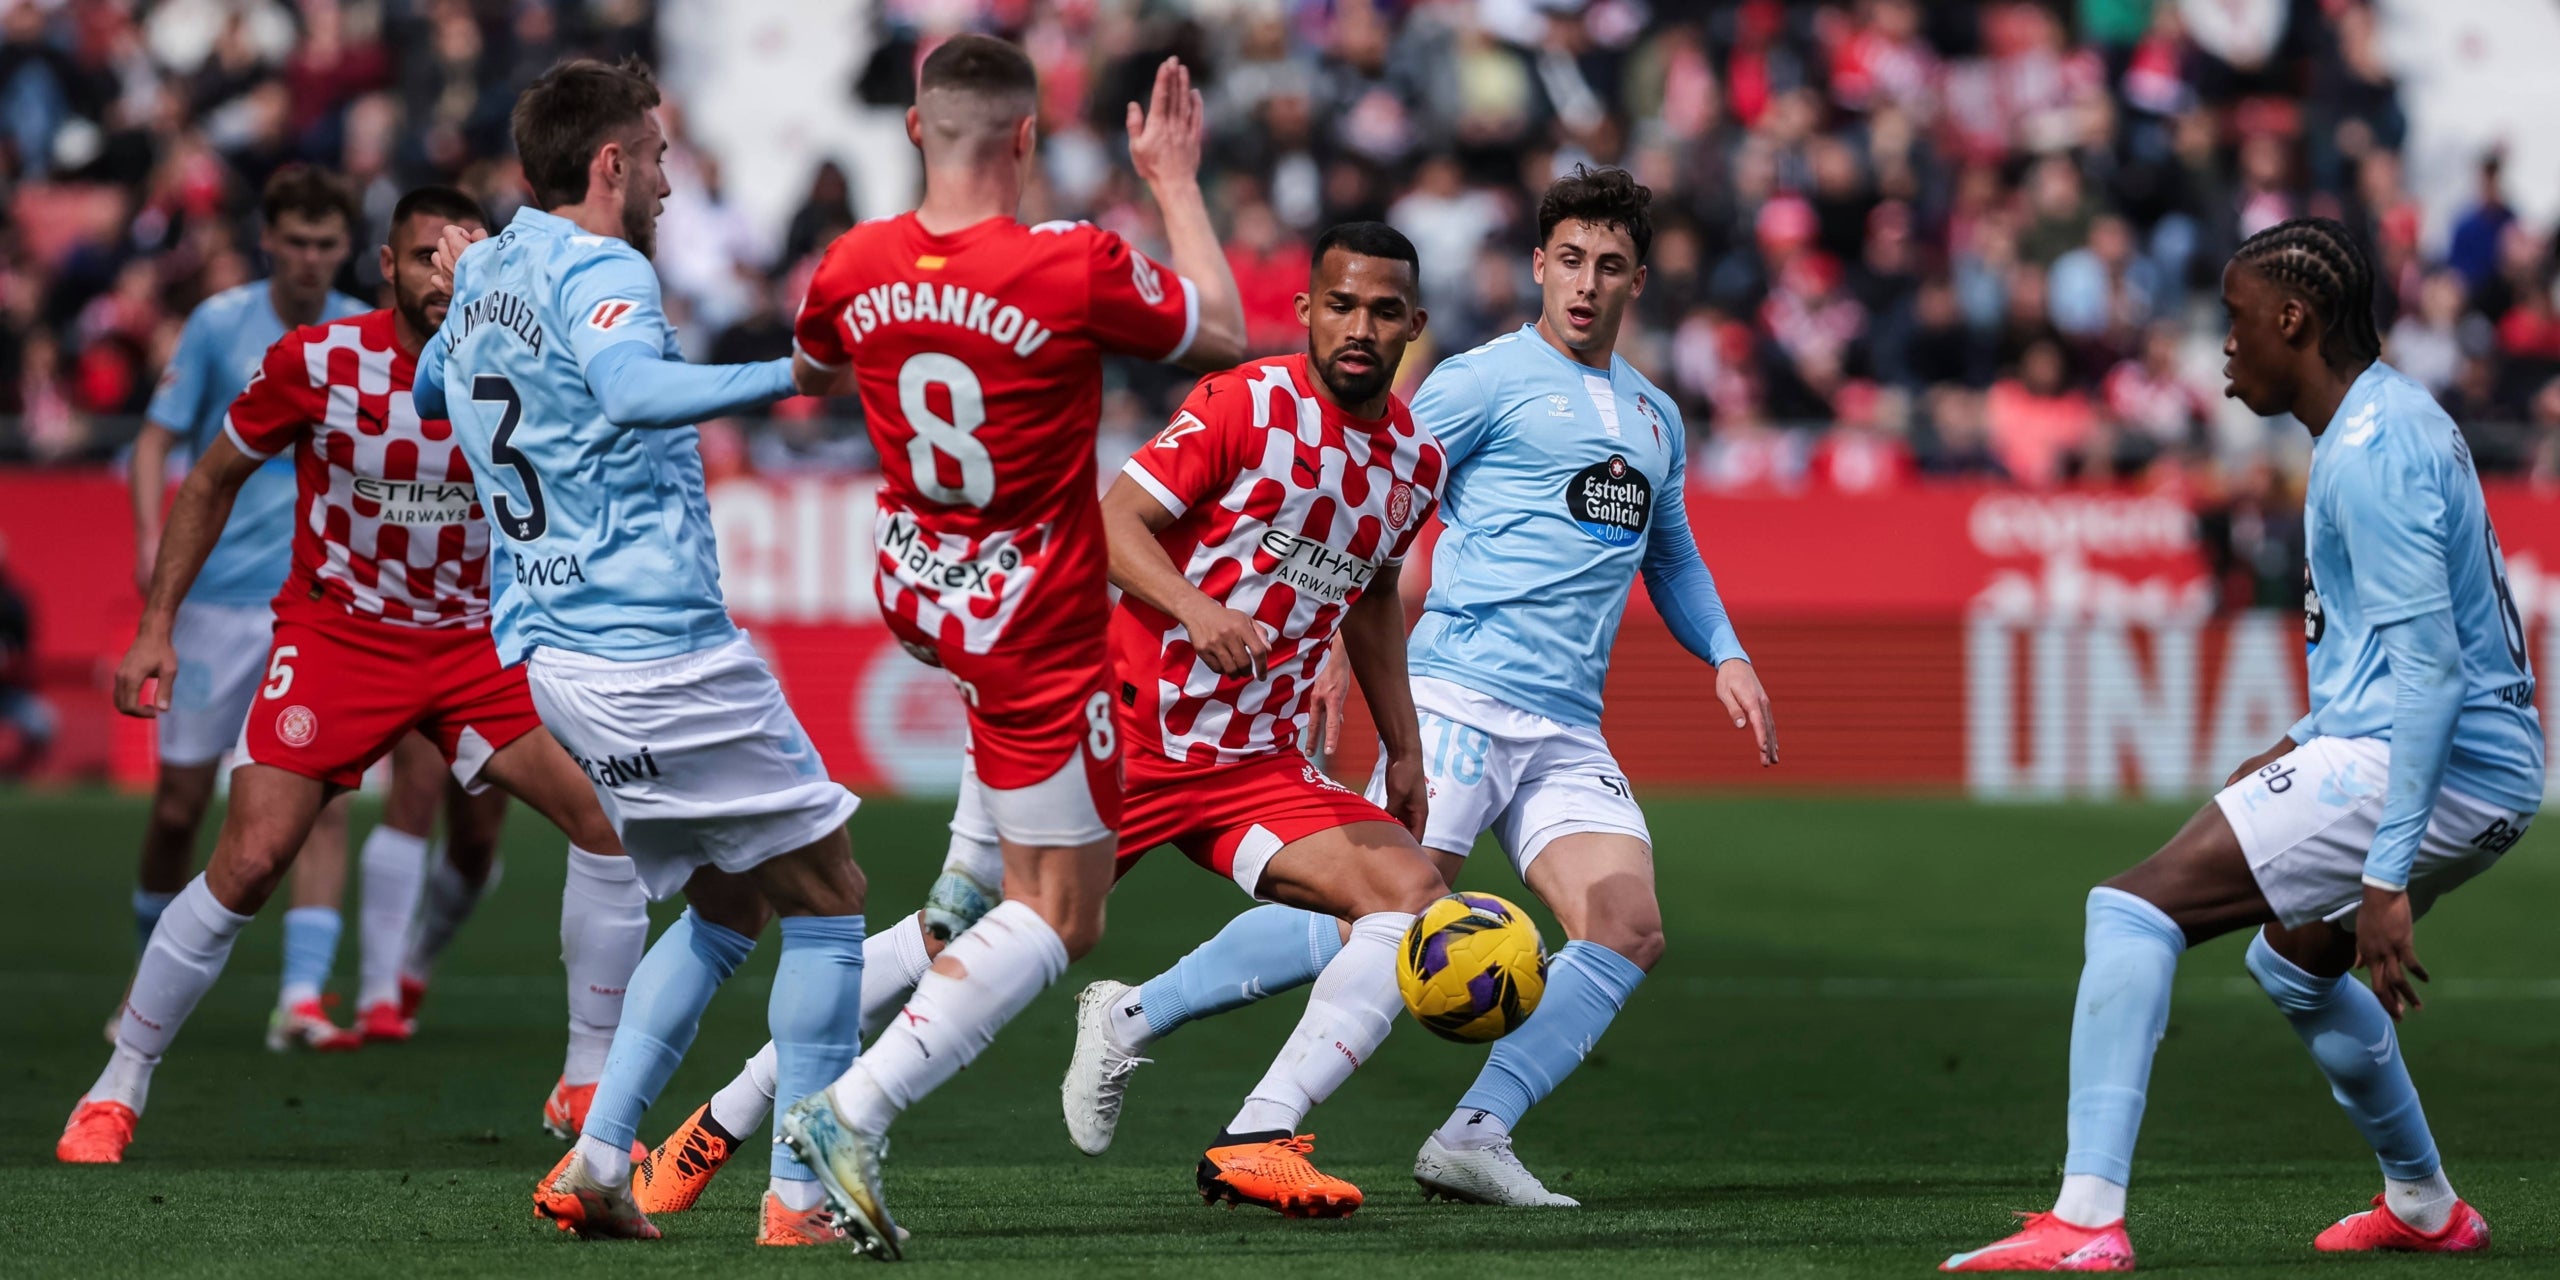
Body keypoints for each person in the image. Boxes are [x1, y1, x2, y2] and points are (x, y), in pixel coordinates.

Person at [645, 222, 1450, 1221]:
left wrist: (1404, 745)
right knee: (950, 941)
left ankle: (1258, 1134)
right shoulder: (1246, 401)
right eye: (1340, 304)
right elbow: (1110, 521)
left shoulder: (1415, 462)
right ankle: (725, 1116)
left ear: (1414, 323)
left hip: (1251, 762)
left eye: (1382, 310)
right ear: (1306, 310)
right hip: (1119, 734)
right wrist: (1197, 611)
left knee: (1411, 894)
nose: (1359, 327)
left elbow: (1370, 595)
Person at [1058, 167, 1778, 1207]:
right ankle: (1159, 1030)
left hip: (1566, 723)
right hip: (1454, 695)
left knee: (1626, 926)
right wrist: (1334, 665)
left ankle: (1474, 1132)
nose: (1585, 284)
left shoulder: (1656, 415)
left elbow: (1671, 553)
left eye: (1608, 266)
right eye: (1569, 261)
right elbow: (1355, 514)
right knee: (1386, 901)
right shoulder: (1474, 383)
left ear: (1636, 280)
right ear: (1539, 266)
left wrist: (1726, 652)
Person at [1941, 217, 2541, 1271]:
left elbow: (2433, 673)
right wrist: (2290, 743)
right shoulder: (2391, 418)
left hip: (2428, 761)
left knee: (2130, 908)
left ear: (2293, 319)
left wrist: (2386, 871)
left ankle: (2084, 1219)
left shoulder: (2368, 455)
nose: (2223, 342)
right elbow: (2386, 653)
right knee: (2297, 965)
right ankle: (2424, 1202)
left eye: (2234, 318)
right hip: (2469, 767)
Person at [57, 185, 652, 1167]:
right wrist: (156, 624)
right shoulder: (318, 363)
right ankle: (116, 1087)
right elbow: (208, 477)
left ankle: (585, 1075)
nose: (436, 276)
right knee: (248, 859)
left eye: (454, 255)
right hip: (341, 638)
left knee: (607, 821)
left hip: (473, 644)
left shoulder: (522, 359)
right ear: (383, 265)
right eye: (420, 255)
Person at [769, 35, 1245, 1258]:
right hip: (1032, 620)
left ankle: (959, 891)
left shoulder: (851, 261)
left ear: (918, 130)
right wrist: (1173, 180)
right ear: (1025, 138)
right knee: (1066, 913)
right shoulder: (1067, 264)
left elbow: (814, 373)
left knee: (985, 889)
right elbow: (1225, 333)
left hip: (921, 591)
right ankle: (850, 1110)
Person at [417, 57, 868, 1248]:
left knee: (728, 902)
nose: (670, 181)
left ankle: (600, 1159)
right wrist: (797, 374)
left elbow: (429, 390)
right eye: (658, 156)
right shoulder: (601, 264)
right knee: (831, 901)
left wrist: (463, 290)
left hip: (556, 653)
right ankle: (800, 1199)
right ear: (610, 163)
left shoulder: (486, 272)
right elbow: (624, 388)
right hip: (653, 645)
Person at [119, 163, 449, 1052]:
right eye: (294, 241)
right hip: (218, 603)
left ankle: (300, 999)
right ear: (268, 240)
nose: (308, 258)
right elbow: (162, 442)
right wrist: (155, 549)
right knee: (182, 807)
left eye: (325, 244)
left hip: (324, 608)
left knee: (324, 798)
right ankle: (150, 968)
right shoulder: (222, 325)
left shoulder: (374, 334)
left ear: (354, 253)